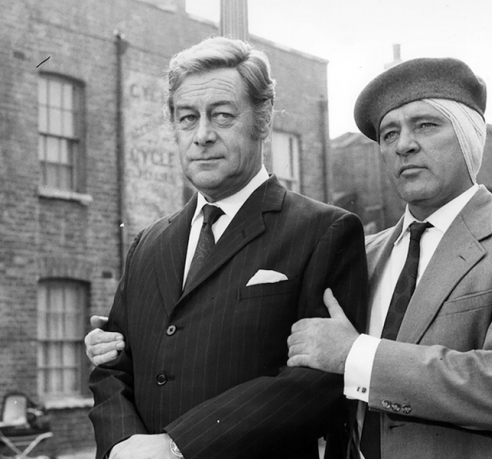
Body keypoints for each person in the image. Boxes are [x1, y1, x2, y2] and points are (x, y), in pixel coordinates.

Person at [87, 36, 368, 459]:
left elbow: (319, 383)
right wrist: (122, 443)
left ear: (263, 120)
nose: (202, 135)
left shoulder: (324, 230)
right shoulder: (148, 243)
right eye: (187, 118)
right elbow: (112, 364)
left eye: (222, 115)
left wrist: (178, 446)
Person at [286, 57, 492, 458]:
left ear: (469, 136)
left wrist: (353, 354)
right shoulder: (364, 254)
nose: (403, 144)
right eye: (389, 133)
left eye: (425, 125)